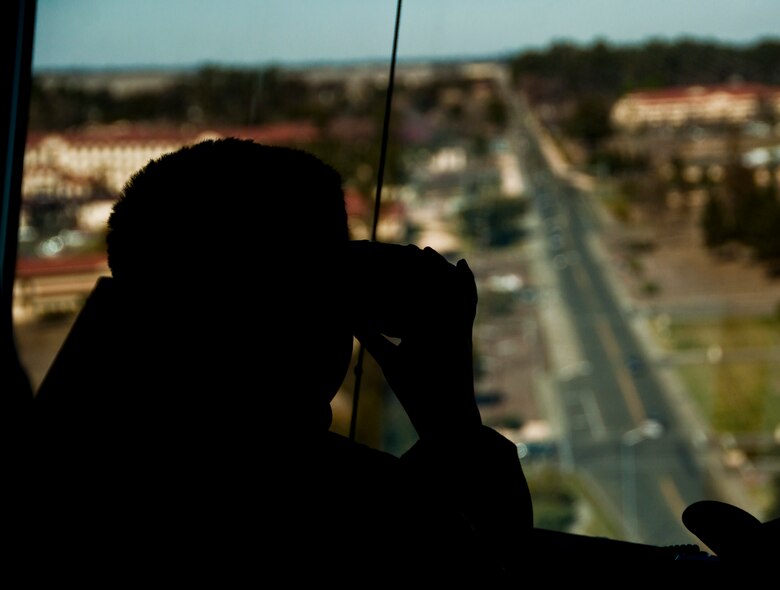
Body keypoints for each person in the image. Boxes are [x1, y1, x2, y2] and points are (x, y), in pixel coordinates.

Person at [28, 138, 534, 582]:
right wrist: (453, 425)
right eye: (336, 280)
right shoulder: (365, 515)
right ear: (308, 310)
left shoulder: (66, 470)